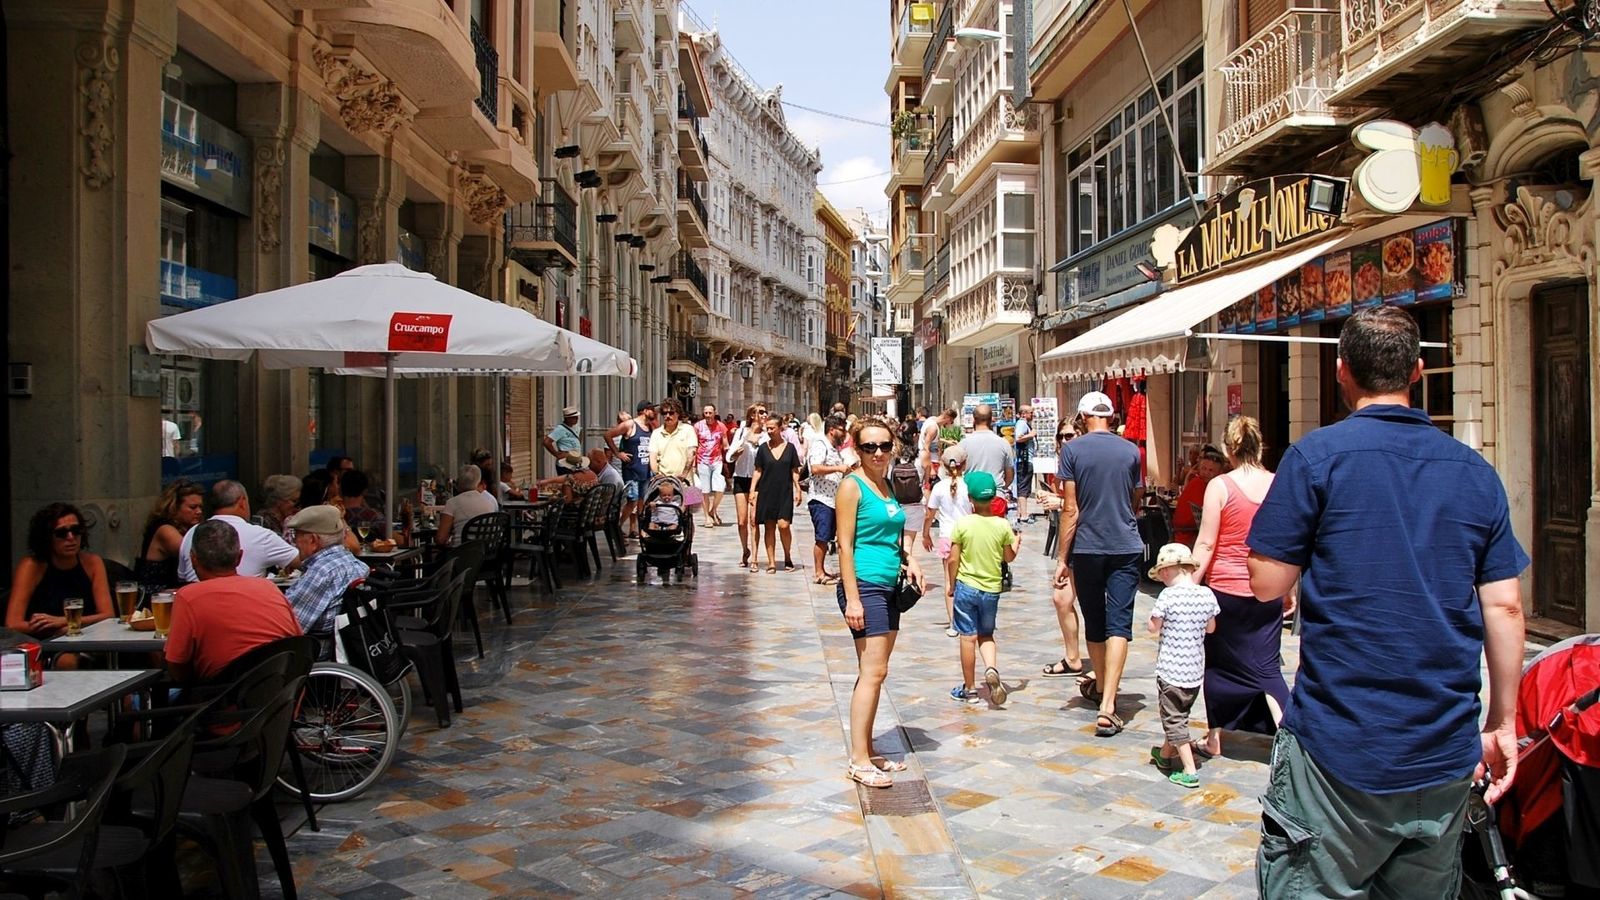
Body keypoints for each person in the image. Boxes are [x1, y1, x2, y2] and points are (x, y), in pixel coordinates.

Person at [1247, 307, 1528, 897]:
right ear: (1418, 371)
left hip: (1340, 745)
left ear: (1341, 371)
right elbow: (1505, 608)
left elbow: (1267, 582)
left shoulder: (1317, 457)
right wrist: (1503, 721)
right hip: (1442, 748)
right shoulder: (1475, 472)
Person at [1190, 415, 1290, 759]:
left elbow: (1206, 543)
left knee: (1217, 666)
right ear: (1259, 446)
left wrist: (1189, 584)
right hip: (1268, 588)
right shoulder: (1278, 484)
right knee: (1267, 668)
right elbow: (1285, 543)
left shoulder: (1220, 486)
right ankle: (1291, 735)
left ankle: (1214, 738)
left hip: (1224, 591)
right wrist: (1288, 588)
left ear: (1228, 449)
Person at [836, 418, 922, 788]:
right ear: (857, 449)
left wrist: (909, 558)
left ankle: (867, 748)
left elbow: (891, 533)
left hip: (888, 584)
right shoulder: (851, 486)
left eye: (884, 446)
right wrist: (853, 600)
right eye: (869, 447)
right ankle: (857, 760)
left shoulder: (886, 484)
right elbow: (844, 545)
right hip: (865, 584)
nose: (878, 453)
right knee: (872, 671)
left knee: (877, 671)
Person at [1053, 391, 1143, 738]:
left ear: (1083, 417)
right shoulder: (1130, 450)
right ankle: (1108, 704)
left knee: (1095, 619)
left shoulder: (1073, 451)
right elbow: (1136, 497)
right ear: (1110, 416)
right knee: (1120, 623)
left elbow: (1070, 508)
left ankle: (1104, 687)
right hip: (1125, 544)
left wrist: (1062, 558)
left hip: (1088, 547)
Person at [165, 520, 303, 683]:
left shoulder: (188, 597)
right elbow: (298, 640)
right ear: (239, 557)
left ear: (193, 559)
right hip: (281, 691)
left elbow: (176, 665)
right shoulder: (270, 588)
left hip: (220, 694)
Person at [1145, 543, 1220, 789]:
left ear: (1166, 571)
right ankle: (1165, 755)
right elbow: (1211, 628)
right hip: (1194, 670)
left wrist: (1154, 620)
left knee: (1173, 719)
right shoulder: (1206, 594)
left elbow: (1153, 627)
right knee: (1179, 714)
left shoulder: (1167, 596)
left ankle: (1189, 769)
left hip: (1170, 670)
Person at [5, 503, 114, 668]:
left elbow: (108, 614)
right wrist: (50, 626)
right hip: (46, 642)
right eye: (61, 533)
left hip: (88, 637)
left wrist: (65, 621)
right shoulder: (32, 566)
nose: (71, 537)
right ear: (47, 537)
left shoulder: (92, 563)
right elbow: (13, 623)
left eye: (76, 530)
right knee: (69, 662)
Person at [947, 471, 1018, 707]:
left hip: (967, 586)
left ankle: (970, 689)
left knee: (967, 637)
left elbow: (953, 559)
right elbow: (1009, 557)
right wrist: (1016, 543)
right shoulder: (1002, 525)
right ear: (993, 497)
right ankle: (990, 668)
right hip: (991, 589)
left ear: (970, 498)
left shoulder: (963, 524)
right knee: (986, 634)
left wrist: (951, 583)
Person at [283, 505, 369, 659]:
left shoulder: (323, 572)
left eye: (296, 535)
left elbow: (288, 626)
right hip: (349, 648)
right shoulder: (356, 564)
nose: (294, 542)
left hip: (315, 654)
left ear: (313, 540)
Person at [1042, 414, 1089, 680]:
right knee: (1061, 599)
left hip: (1086, 538)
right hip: (1070, 538)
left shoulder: (1085, 463)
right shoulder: (1063, 463)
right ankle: (1073, 658)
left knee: (1090, 603)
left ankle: (1101, 663)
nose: (1064, 441)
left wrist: (1059, 503)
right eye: (1060, 436)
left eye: (1069, 435)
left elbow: (1084, 503)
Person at [178, 480, 300, 582]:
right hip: (244, 600)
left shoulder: (192, 533)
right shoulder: (260, 536)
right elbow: (303, 562)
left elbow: (183, 577)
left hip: (196, 600)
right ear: (242, 501)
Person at [922, 444, 973, 639]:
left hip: (947, 537)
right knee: (968, 578)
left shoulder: (939, 487)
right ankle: (969, 618)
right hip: (969, 536)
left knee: (949, 581)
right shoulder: (969, 486)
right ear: (964, 464)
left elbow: (930, 514)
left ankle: (953, 623)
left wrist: (925, 534)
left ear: (943, 465)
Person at [750, 414, 802, 574]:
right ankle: (771, 562)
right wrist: (752, 490)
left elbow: (794, 470)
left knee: (783, 525)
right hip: (766, 491)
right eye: (768, 428)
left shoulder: (790, 448)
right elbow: (758, 470)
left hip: (784, 492)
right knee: (769, 526)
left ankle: (787, 555)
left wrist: (798, 488)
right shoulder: (763, 449)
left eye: (772, 428)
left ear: (780, 428)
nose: (769, 431)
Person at [137, 480, 204, 590]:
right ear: (174, 508)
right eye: (193, 507)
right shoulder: (165, 530)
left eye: (200, 507)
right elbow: (196, 554)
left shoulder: (188, 528)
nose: (199, 511)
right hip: (156, 593)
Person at [805, 415, 849, 585]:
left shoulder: (834, 448)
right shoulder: (820, 445)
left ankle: (823, 570)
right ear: (832, 430)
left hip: (833, 499)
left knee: (829, 536)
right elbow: (815, 468)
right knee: (822, 537)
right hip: (821, 498)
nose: (844, 433)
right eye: (841, 430)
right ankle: (818, 572)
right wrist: (838, 468)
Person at [607, 400, 657, 540]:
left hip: (646, 471)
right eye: (652, 409)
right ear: (644, 411)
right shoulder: (631, 425)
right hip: (633, 471)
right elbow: (608, 435)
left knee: (642, 501)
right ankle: (617, 526)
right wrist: (618, 453)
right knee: (632, 500)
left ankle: (640, 529)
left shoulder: (651, 427)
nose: (654, 412)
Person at [727, 404, 765, 569]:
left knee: (753, 520)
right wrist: (744, 440)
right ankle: (745, 550)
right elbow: (729, 455)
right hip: (741, 477)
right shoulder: (741, 432)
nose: (763, 415)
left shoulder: (766, 435)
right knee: (742, 521)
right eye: (760, 412)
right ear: (752, 415)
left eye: (764, 412)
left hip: (758, 480)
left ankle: (755, 558)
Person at [435, 464, 500, 548]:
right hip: (486, 551)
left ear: (458, 482)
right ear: (478, 482)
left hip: (460, 552)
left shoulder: (452, 503)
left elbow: (441, 539)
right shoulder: (490, 501)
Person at [1170, 449, 1224, 548]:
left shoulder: (1196, 482)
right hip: (1189, 537)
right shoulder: (1201, 485)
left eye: (1211, 470)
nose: (1206, 473)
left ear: (1219, 473)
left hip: (1181, 534)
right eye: (1204, 468)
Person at [960, 404, 1014, 493]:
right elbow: (1010, 475)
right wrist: (1001, 488)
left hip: (971, 493)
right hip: (995, 493)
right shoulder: (1003, 443)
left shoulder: (963, 444)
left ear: (974, 420)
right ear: (991, 419)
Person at [694, 404, 729, 527]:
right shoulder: (698, 426)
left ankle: (713, 510)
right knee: (705, 490)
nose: (708, 415)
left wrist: (731, 453)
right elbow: (694, 445)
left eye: (710, 413)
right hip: (702, 461)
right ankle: (707, 517)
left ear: (715, 413)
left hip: (717, 460)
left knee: (720, 487)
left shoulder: (721, 426)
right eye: (706, 413)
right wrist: (693, 464)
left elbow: (725, 444)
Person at [648, 400, 697, 483]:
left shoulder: (688, 430)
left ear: (678, 413)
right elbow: (652, 457)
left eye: (671, 413)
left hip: (685, 482)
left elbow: (691, 454)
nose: (668, 416)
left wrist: (683, 475)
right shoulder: (656, 433)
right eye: (665, 413)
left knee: (693, 493)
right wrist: (656, 474)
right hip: (664, 483)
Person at [338, 469, 387, 541]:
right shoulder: (373, 516)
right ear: (364, 491)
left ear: (340, 490)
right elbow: (393, 537)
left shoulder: (336, 515)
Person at [543, 407, 585, 474]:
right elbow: (547, 442)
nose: (577, 419)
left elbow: (580, 437)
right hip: (564, 463)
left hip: (574, 461)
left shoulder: (576, 428)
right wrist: (556, 454)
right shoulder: (560, 429)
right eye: (574, 417)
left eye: (577, 417)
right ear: (567, 418)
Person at [259, 474, 302, 538]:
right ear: (279, 500)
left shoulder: (292, 521)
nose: (298, 507)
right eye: (294, 501)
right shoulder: (264, 522)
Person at [1013, 405, 1036, 522]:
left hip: (1024, 460)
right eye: (1031, 413)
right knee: (1024, 487)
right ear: (1024, 414)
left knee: (1022, 486)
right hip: (1024, 460)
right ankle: (1024, 515)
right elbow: (1018, 438)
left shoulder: (1024, 424)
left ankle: (1019, 513)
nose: (1033, 415)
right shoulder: (1022, 424)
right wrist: (1031, 435)